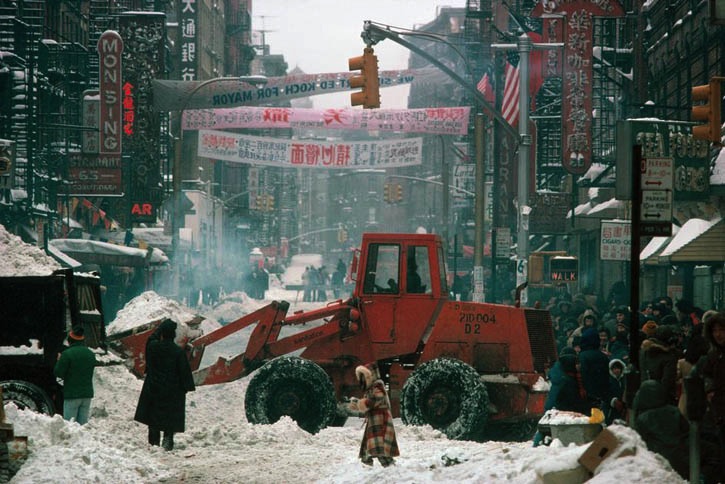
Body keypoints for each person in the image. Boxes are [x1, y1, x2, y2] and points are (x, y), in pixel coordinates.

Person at [632, 379, 722, 483]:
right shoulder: (673, 410)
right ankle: (702, 477)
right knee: (714, 451)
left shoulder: (641, 419)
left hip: (659, 458)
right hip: (683, 453)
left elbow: (640, 443)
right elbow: (688, 432)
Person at [134, 319, 196, 451]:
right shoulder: (178, 352)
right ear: (173, 335)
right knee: (169, 419)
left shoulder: (153, 347)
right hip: (172, 391)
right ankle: (167, 443)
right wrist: (187, 387)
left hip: (154, 388)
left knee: (153, 419)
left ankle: (153, 444)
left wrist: (160, 327)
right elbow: (184, 372)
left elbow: (151, 338)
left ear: (162, 334)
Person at [348, 363, 399, 467]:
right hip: (375, 422)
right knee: (370, 446)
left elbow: (374, 400)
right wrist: (358, 403)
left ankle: (390, 468)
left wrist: (360, 404)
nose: (362, 380)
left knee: (380, 448)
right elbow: (369, 403)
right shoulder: (371, 389)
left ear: (370, 376)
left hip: (381, 422)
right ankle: (366, 466)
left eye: (364, 377)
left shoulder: (378, 387)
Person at [53, 326, 97, 425]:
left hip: (72, 395)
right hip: (86, 395)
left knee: (70, 426)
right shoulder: (90, 354)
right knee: (82, 426)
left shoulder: (67, 354)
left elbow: (58, 373)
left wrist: (59, 360)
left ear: (70, 340)